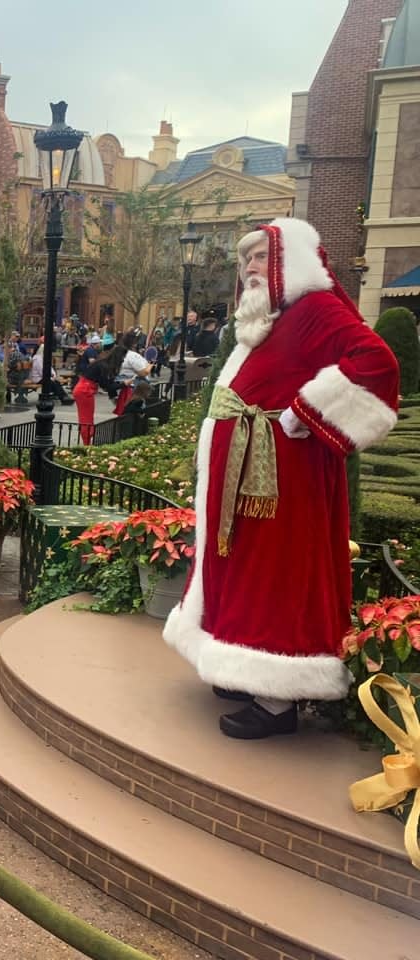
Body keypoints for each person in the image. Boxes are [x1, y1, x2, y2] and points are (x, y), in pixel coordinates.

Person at [163, 218, 399, 739]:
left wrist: (305, 411)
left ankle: (276, 701)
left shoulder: (316, 308)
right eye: (245, 260)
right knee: (240, 567)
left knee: (276, 573)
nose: (248, 268)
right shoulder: (269, 316)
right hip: (246, 477)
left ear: (288, 263)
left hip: (283, 482)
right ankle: (239, 665)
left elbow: (376, 363)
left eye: (260, 258)